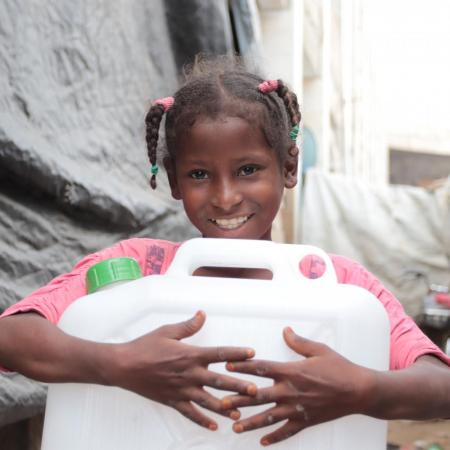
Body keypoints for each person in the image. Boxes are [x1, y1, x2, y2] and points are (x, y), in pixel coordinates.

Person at [0, 57, 449, 447]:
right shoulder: (138, 270)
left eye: (248, 169)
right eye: (199, 174)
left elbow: (440, 385)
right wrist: (120, 364)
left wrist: (363, 389)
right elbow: (12, 338)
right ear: (174, 181)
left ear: (288, 167)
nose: (226, 197)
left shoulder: (333, 283)